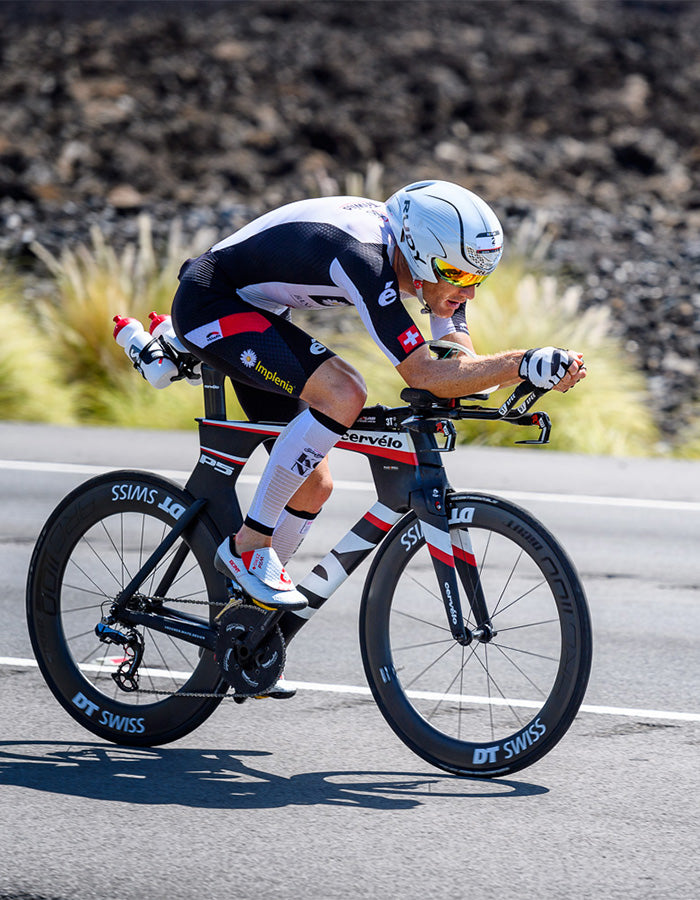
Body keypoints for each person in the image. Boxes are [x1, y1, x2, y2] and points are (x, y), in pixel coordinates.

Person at [171, 179, 586, 618]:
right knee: (344, 391)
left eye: (478, 279)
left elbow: (458, 362)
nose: (469, 293)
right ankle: (249, 547)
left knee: (313, 486)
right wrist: (520, 362)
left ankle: (245, 624)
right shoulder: (364, 259)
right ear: (419, 257)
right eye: (461, 278)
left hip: (259, 310)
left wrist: (527, 370)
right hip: (211, 302)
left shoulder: (441, 263)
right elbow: (425, 374)